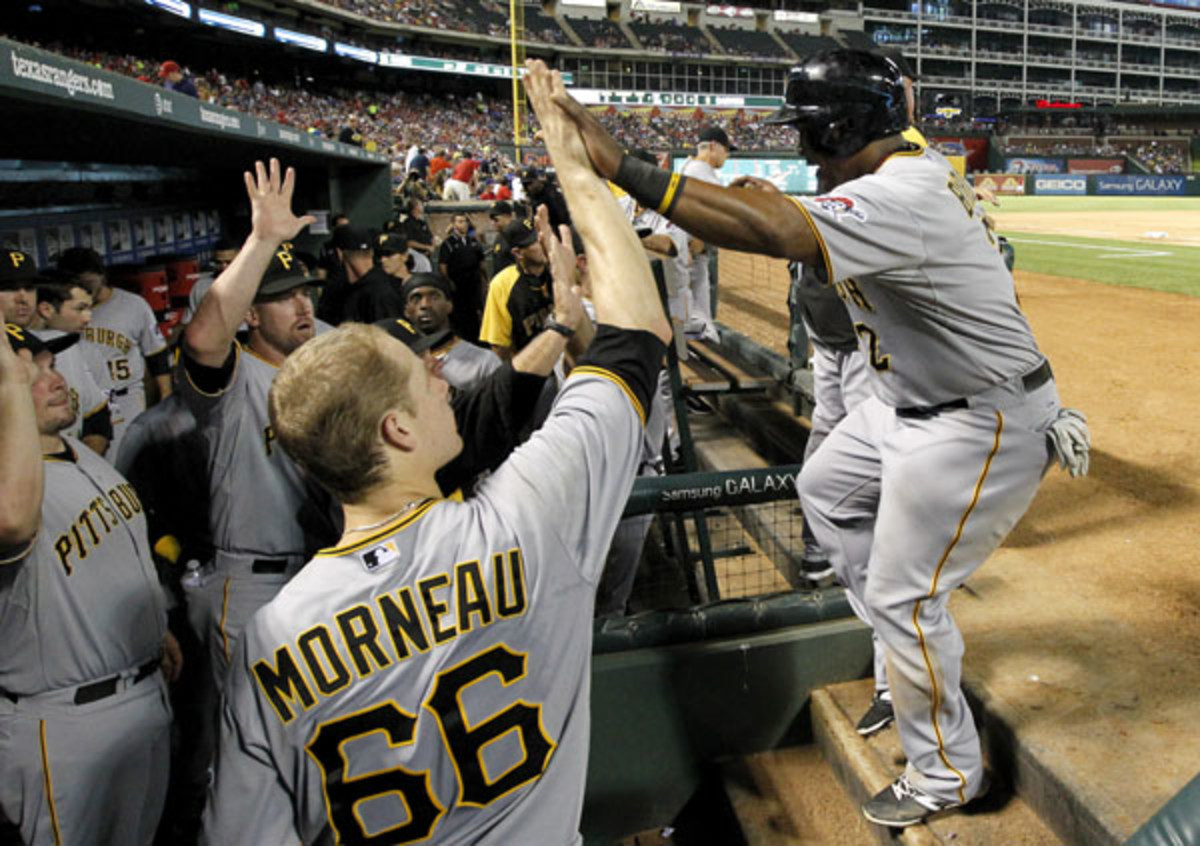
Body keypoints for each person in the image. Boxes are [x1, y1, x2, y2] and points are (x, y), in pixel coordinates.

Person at [549, 48, 1090, 827]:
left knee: (906, 597)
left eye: (807, 132)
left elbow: (769, 232)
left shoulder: (904, 192)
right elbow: (803, 226)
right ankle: (901, 655)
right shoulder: (902, 170)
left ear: (841, 128)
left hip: (981, 420)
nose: (802, 149)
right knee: (826, 489)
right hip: (911, 402)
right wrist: (789, 210)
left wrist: (618, 164)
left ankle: (946, 773)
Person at [202, 59, 671, 844]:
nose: (438, 374)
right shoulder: (526, 516)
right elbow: (636, 337)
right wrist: (572, 161)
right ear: (397, 431)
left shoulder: (269, 643)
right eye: (418, 375)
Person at [0, 314, 181, 846]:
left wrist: (153, 627)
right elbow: (13, 525)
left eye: (49, 364)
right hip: (65, 722)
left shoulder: (78, 450)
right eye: (30, 374)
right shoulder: (10, 490)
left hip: (142, 692)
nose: (56, 379)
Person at [178, 161, 324, 693]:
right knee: (252, 731)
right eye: (282, 296)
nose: (302, 304)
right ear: (252, 315)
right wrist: (261, 241)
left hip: (321, 570)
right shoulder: (235, 378)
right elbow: (202, 341)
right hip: (254, 580)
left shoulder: (322, 367)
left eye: (304, 291)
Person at [57, 247, 172, 458]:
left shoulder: (133, 305)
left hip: (125, 398)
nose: (85, 288)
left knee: (130, 460)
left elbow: (156, 354)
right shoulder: (65, 314)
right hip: (84, 402)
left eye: (89, 281)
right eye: (78, 282)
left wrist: (165, 396)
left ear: (102, 275)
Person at [32, 276, 113, 456]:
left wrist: (83, 461)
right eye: (80, 309)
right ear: (46, 309)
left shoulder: (74, 348)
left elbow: (98, 418)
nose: (88, 318)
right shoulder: (16, 355)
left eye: (89, 308)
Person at [678, 125, 735, 343]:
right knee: (698, 317)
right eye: (726, 150)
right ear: (713, 146)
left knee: (690, 313)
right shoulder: (700, 172)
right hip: (690, 252)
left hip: (685, 251)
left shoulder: (688, 167)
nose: (727, 156)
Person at [403, 272, 500, 391]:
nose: (425, 305)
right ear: (406, 310)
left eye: (434, 297)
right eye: (416, 299)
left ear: (449, 306)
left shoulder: (484, 362)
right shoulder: (398, 363)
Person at [479, 218, 554, 360]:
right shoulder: (502, 284)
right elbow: (499, 345)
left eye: (541, 237)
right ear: (518, 253)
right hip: (531, 366)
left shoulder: (559, 270)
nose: (543, 243)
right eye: (535, 242)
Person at [437, 212, 488, 343]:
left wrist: (485, 280)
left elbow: (482, 263)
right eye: (459, 221)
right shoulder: (448, 244)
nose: (463, 224)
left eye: (464, 221)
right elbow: (443, 266)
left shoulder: (473, 242)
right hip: (458, 285)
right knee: (460, 314)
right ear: (453, 224)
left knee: (476, 312)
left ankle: (477, 339)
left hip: (474, 283)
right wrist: (448, 282)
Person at [488, 200, 517, 277]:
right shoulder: (500, 236)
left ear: (507, 216)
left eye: (496, 219)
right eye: (491, 219)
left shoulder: (517, 235)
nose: (493, 223)